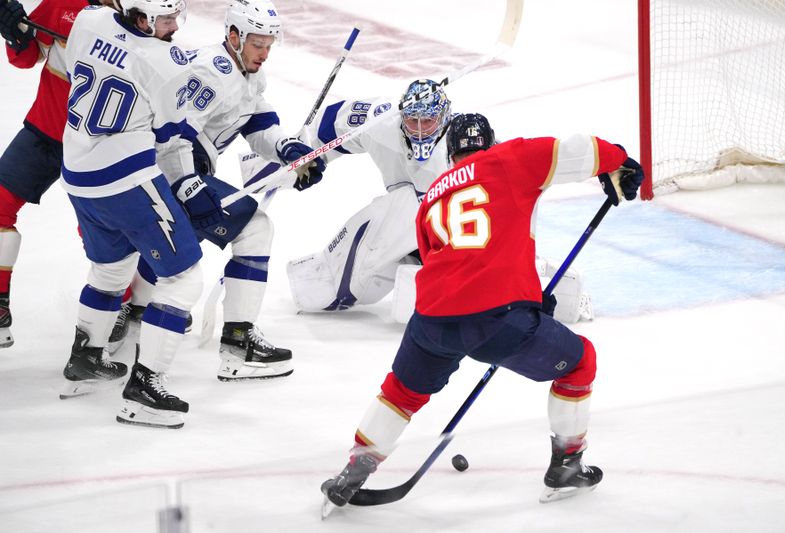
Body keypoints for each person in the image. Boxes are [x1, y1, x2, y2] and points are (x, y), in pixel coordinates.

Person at [320, 113, 645, 507]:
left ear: (450, 153)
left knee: (401, 392)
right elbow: (580, 150)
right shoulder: (510, 159)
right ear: (490, 143)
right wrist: (619, 161)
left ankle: (353, 471)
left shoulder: (434, 195)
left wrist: (525, 297)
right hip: (496, 318)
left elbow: (442, 259)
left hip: (432, 319)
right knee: (581, 363)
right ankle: (567, 467)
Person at [239, 80, 594, 324]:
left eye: (429, 121)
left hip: (457, 238)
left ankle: (547, 282)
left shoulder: (468, 145)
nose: (421, 128)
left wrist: (522, 270)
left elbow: (515, 204)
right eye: (413, 119)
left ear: (445, 118)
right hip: (411, 232)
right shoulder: (381, 121)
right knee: (324, 290)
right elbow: (333, 122)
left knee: (418, 225)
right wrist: (303, 156)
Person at [112, 0, 325, 380]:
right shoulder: (214, 71)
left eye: (269, 45)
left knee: (179, 241)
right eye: (258, 43)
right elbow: (172, 137)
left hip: (169, 172)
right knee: (256, 229)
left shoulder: (248, 74)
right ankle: (239, 345)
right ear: (233, 36)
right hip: (163, 171)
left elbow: (258, 126)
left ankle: (134, 306)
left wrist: (286, 148)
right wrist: (188, 184)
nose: (265, 53)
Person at [59, 0, 221, 430]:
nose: (172, 26)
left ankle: (87, 358)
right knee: (183, 276)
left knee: (111, 268)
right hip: (127, 179)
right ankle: (145, 387)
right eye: (164, 18)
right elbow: (167, 140)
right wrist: (186, 184)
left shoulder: (90, 21)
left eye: (174, 17)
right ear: (139, 14)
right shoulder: (165, 61)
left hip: (77, 173)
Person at [0, 0, 117, 348]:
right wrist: (16, 36)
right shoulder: (63, 3)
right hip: (45, 129)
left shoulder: (142, 15)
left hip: (100, 147)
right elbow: (27, 56)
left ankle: (124, 305)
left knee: (104, 232)